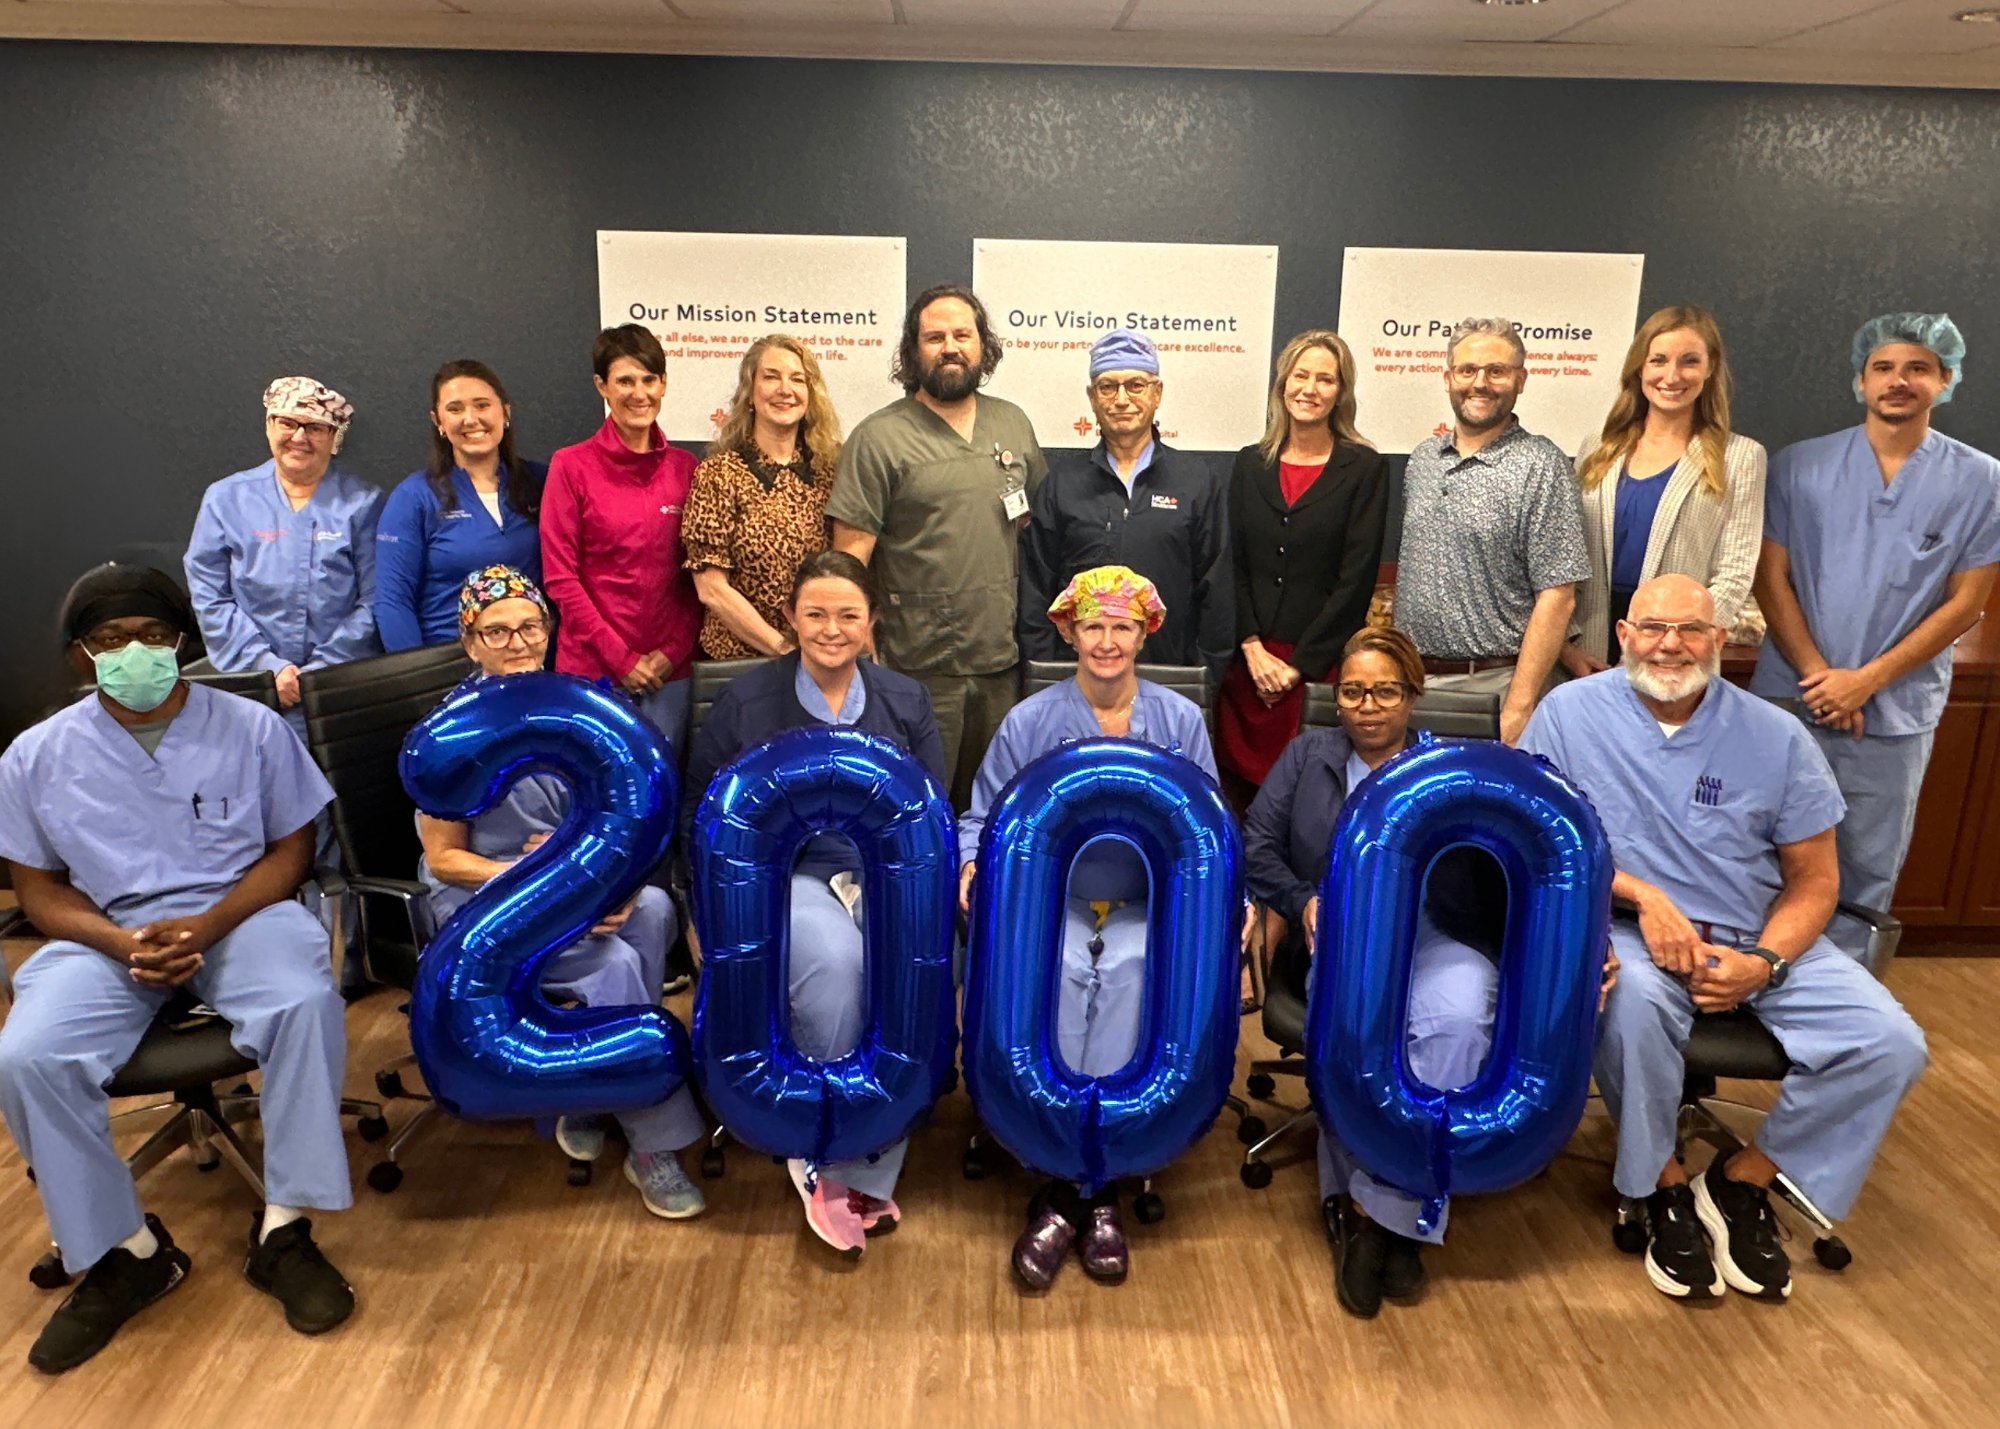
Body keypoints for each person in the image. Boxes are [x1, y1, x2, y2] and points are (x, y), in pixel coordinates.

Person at [1521, 574, 1928, 1304]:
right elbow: (1539, 842)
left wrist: (1764, 962)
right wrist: (1643, 896)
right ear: (1622, 634)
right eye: (1651, 627)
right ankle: (1661, 1185)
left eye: (1689, 629)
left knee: (1890, 1041)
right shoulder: (1568, 714)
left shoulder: (1775, 736)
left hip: (1754, 932)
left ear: (1720, 639)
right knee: (1631, 1002)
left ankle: (1741, 1182)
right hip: (1627, 930)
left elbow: (1814, 882)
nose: (1669, 644)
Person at [0, 565, 357, 1374]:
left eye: (155, 636)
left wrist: (210, 921)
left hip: (237, 914)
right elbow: (38, 890)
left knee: (305, 1000)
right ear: (79, 656)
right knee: (26, 1055)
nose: (137, 653)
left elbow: (291, 850)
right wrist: (119, 942)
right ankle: (126, 1250)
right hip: (105, 934)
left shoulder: (253, 727)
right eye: (113, 640)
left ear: (183, 643)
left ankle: (286, 1229)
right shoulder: (35, 755)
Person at [416, 566, 707, 1219]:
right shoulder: (456, 728)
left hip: (572, 889)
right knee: (614, 965)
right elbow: (443, 857)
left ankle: (584, 1086)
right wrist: (548, 873)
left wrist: (613, 882)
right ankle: (652, 1144)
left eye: (529, 626)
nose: (516, 641)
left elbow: (622, 824)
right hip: (488, 902)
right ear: (470, 642)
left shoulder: (579, 707)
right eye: (497, 630)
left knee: (656, 908)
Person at [957, 566, 1216, 1291]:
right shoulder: (1029, 720)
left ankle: (1076, 1188)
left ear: (1144, 633)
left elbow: (1209, 829)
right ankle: (1076, 1170)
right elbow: (980, 816)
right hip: (1052, 904)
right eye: (1094, 627)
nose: (1107, 642)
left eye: (1122, 627)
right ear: (1070, 632)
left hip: (1145, 904)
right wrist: (972, 864)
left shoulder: (1180, 722)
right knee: (1068, 977)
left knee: (1131, 976)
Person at [681, 551, 946, 1259]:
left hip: (886, 878)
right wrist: (698, 910)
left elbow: (932, 813)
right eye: (816, 613)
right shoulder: (748, 700)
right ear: (791, 619)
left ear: (871, 623)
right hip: (785, 880)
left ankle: (871, 1160)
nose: (832, 628)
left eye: (848, 615)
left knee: (905, 980)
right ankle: (822, 1157)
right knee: (837, 965)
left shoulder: (904, 700)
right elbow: (699, 813)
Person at [1243, 626, 1512, 1318]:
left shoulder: (1454, 769)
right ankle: (1401, 1220)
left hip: (1434, 933)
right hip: (1336, 937)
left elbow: (1493, 869)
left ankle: (1370, 1213)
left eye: (1385, 690)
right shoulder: (1308, 756)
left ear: (1414, 696)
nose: (1367, 706)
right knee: (1361, 1029)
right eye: (1353, 691)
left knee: (1459, 1020)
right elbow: (1255, 846)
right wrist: (1303, 900)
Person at [1751, 312, 2000, 954]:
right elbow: (1769, 579)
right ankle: (1750, 984)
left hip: (1892, 709)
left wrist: (1864, 682)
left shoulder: (1981, 481)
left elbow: (1968, 602)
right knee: (1759, 849)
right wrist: (1820, 679)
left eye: (1918, 368)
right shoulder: (1798, 467)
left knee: (1864, 867)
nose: (1899, 381)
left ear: (1945, 379)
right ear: (1860, 381)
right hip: (1793, 697)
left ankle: (1842, 1016)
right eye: (1883, 368)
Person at [827, 284, 1048, 808]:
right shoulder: (879, 438)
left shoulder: (1012, 422)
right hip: (916, 669)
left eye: (962, 335)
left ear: (982, 346)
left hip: (999, 661)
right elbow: (847, 562)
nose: (950, 346)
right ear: (912, 350)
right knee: (915, 811)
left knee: (999, 810)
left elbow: (1032, 529)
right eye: (934, 337)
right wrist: (861, 651)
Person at [1394, 318, 1589, 745]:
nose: (1479, 383)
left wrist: (1519, 706)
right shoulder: (1424, 459)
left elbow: (1557, 594)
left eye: (1496, 371)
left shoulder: (1542, 465)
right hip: (1410, 686)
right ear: (1448, 378)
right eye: (1467, 370)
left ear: (1520, 379)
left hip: (1493, 688)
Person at [1217, 329, 1389, 801]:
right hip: (1247, 673)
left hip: (1319, 670)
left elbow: (1355, 580)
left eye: (1325, 379)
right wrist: (1251, 649)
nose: (1309, 389)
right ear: (1282, 383)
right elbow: (1232, 562)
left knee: (1308, 801)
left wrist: (1297, 669)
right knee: (1239, 805)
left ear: (1341, 392)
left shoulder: (1364, 469)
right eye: (1301, 375)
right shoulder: (1249, 464)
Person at [1017, 329, 1232, 686]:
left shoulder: (1196, 482)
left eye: (1135, 385)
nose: (1121, 399)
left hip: (1168, 678)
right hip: (1075, 680)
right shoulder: (1062, 485)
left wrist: (1200, 680)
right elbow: (1036, 590)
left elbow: (1216, 592)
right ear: (1091, 396)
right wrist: (1046, 675)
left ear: (1157, 393)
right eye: (1107, 387)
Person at [1565, 306, 1766, 673]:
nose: (1672, 376)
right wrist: (1568, 645)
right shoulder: (1596, 447)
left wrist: (1679, 638)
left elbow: (1735, 573)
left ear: (1710, 368)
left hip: (1675, 655)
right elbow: (1565, 558)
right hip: (1586, 649)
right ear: (1640, 367)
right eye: (1658, 360)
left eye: (1689, 361)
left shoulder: (1740, 457)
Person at [184, 376, 384, 731]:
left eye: (315, 427)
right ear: (269, 425)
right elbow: (210, 596)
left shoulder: (363, 503)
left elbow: (375, 601)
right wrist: (265, 667)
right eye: (287, 423)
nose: (299, 437)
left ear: (335, 436)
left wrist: (319, 673)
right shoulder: (225, 499)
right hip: (250, 687)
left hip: (336, 690)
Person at [541, 324, 703, 755]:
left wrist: (672, 651)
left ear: (664, 384)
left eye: (649, 379)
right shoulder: (571, 466)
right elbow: (560, 579)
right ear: (602, 386)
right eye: (625, 381)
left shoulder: (686, 469)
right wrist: (622, 660)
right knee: (596, 797)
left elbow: (698, 578)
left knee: (662, 798)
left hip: (671, 673)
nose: (639, 393)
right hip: (594, 670)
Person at [682, 336, 841, 660]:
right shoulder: (719, 473)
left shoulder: (831, 473)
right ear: (750, 393)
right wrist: (784, 649)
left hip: (822, 663)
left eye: (797, 379)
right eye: (771, 377)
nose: (785, 389)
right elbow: (711, 589)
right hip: (742, 667)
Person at [374, 359, 546, 651]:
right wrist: (420, 684)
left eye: (482, 405)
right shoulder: (414, 497)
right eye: (455, 409)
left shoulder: (543, 483)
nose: (470, 418)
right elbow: (392, 602)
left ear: (505, 412)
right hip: (451, 671)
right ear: (438, 421)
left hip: (533, 661)